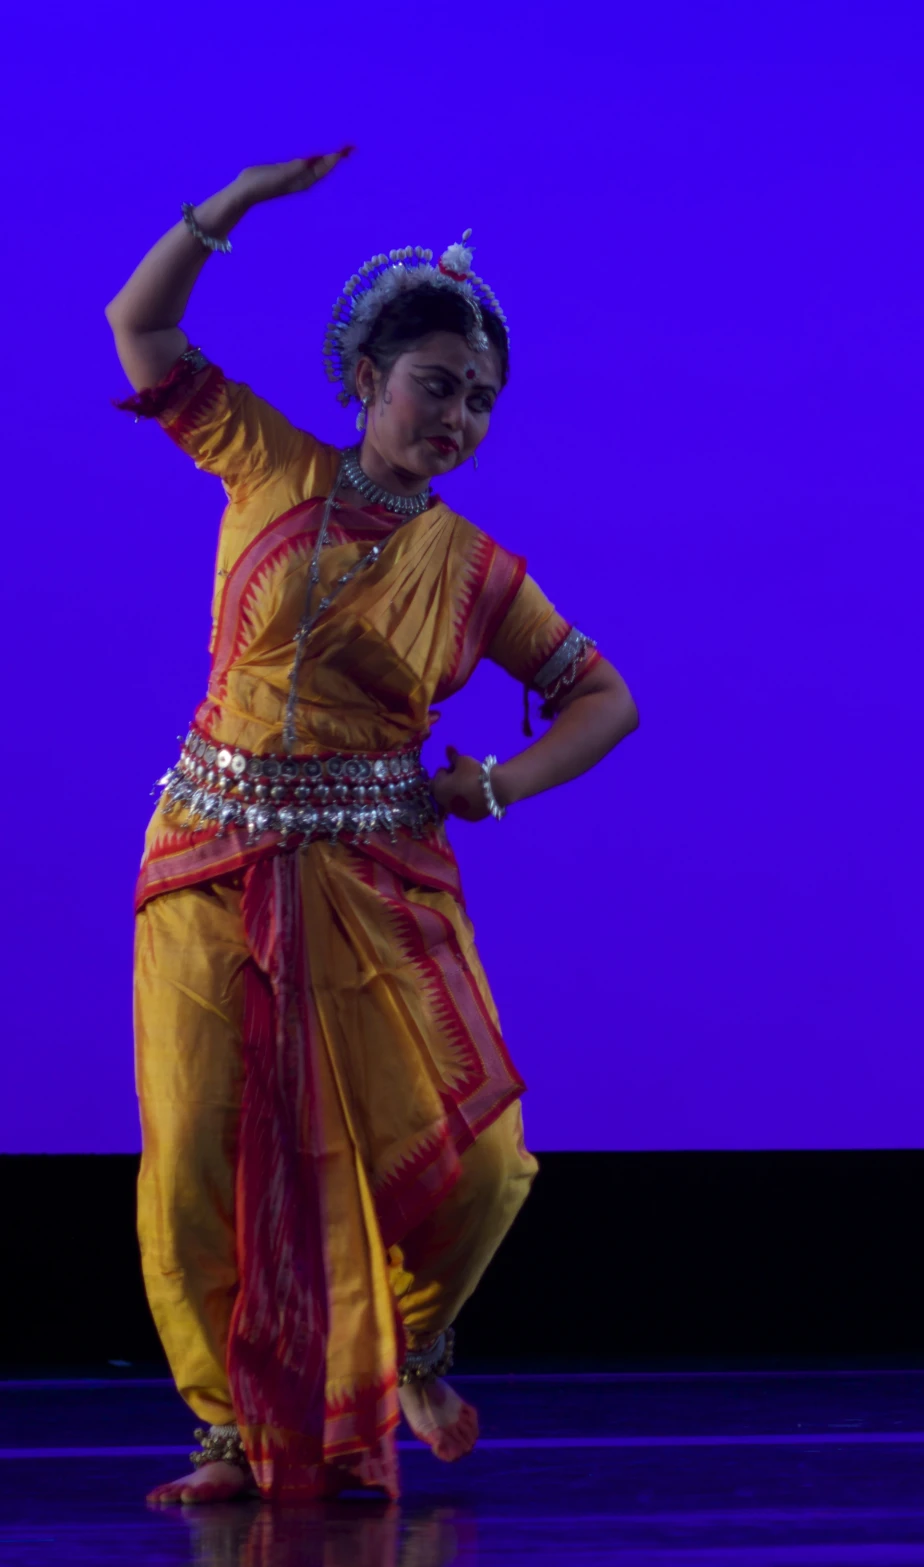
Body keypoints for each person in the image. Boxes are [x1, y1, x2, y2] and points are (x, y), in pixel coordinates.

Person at [109, 151, 639, 1503]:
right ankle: (231, 1431)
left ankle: (406, 1343)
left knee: (482, 1159)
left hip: (377, 875)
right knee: (194, 1157)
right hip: (208, 858)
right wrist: (224, 209)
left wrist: (501, 783)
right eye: (433, 385)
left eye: (478, 398)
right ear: (366, 380)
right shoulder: (267, 460)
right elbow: (141, 328)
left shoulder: (472, 570)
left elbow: (604, 698)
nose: (454, 414)